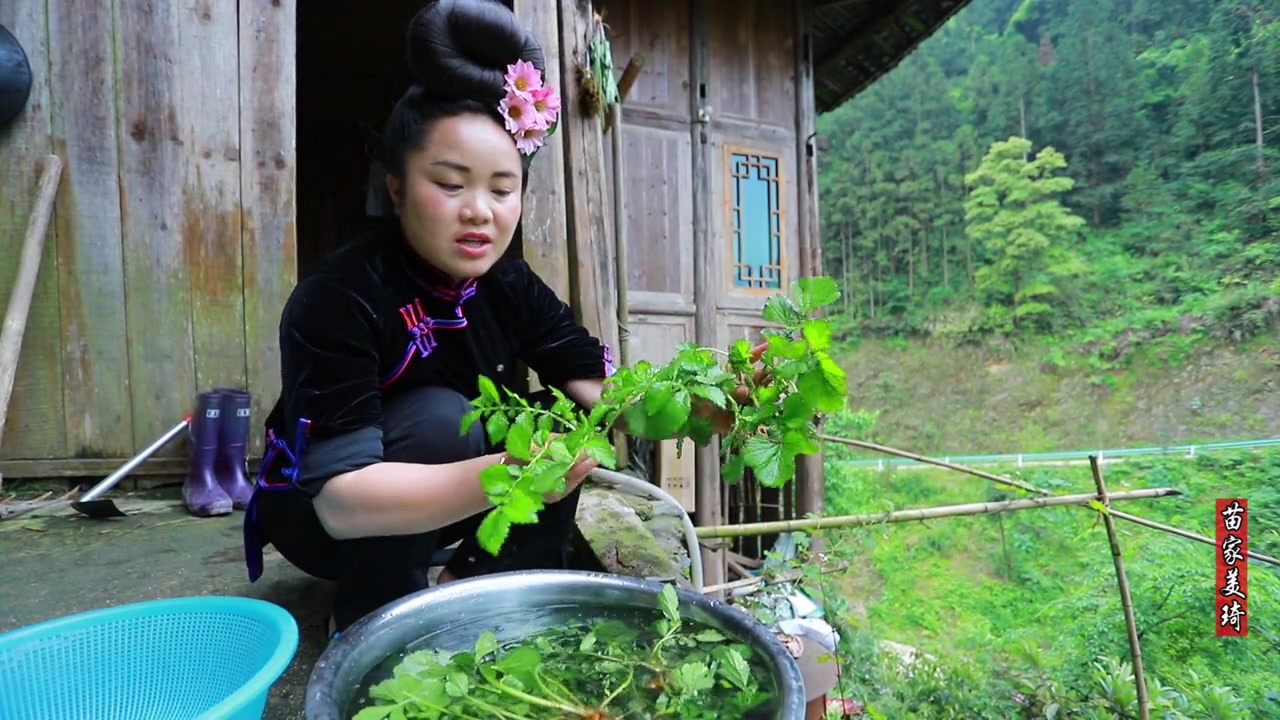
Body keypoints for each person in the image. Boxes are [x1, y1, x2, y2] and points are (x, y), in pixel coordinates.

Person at [241, 0, 757, 638]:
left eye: (501, 188)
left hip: (453, 495)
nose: (479, 212)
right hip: (324, 521)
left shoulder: (508, 283)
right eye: (451, 185)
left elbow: (599, 391)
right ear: (396, 187)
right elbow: (342, 502)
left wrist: (696, 405)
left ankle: (471, 588)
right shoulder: (340, 294)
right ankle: (373, 610)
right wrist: (506, 475)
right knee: (439, 418)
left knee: (564, 422)